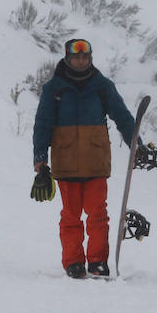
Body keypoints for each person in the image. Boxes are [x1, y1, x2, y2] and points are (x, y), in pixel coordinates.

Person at [32, 38, 138, 278]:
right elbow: (43, 124)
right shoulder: (54, 89)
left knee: (98, 214)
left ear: (90, 58)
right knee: (71, 216)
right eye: (76, 57)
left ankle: (98, 261)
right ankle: (73, 262)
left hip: (95, 161)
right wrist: (40, 159)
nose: (81, 61)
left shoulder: (102, 86)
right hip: (66, 162)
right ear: (68, 58)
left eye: (85, 57)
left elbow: (122, 116)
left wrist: (136, 144)